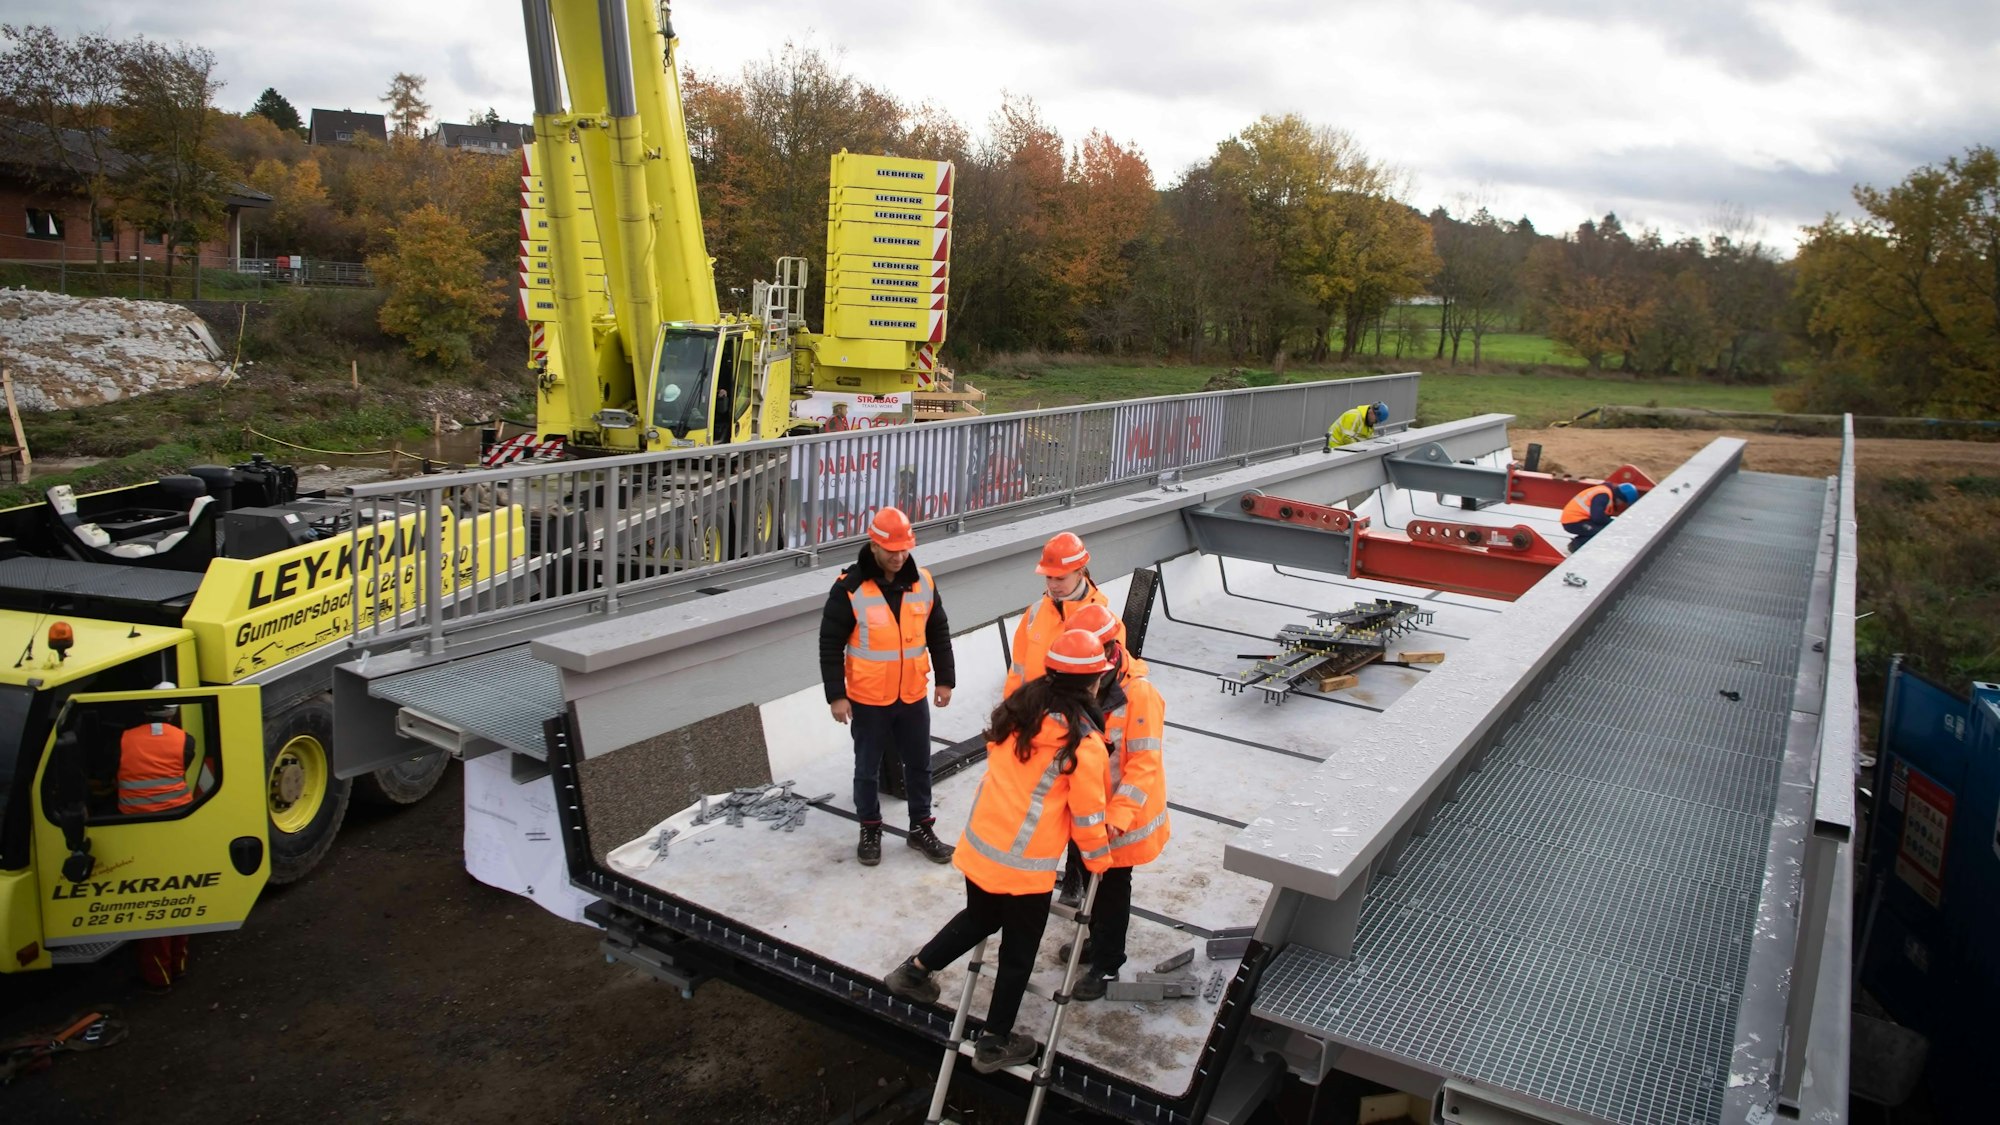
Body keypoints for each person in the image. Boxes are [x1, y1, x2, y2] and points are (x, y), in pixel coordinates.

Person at [883, 629, 1116, 1075]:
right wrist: (1100, 861)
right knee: (1019, 950)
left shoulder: (1020, 712)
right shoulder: (1083, 746)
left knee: (981, 916)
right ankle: (994, 1042)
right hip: (1023, 867)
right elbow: (1088, 817)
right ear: (1092, 684)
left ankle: (913, 972)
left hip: (982, 848)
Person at [820, 506, 957, 866]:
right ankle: (870, 827)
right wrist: (836, 695)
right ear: (874, 545)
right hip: (868, 698)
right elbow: (830, 643)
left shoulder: (923, 582)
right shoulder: (849, 589)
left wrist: (945, 680)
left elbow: (938, 632)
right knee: (866, 768)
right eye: (891, 550)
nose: (898, 557)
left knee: (919, 765)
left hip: (911, 694)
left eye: (904, 550)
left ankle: (921, 827)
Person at [1051, 604, 1169, 1000]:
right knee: (1088, 881)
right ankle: (1096, 942)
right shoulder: (1082, 682)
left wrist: (1116, 816)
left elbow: (1144, 763)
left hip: (1122, 818)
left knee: (1113, 887)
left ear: (1110, 651)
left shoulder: (1140, 695)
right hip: (1085, 811)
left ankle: (1107, 965)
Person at [118, 688, 197, 991]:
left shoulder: (125, 739)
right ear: (174, 712)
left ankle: (157, 977)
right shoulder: (185, 741)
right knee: (179, 896)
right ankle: (177, 965)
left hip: (136, 831)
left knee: (152, 907)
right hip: (177, 826)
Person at [1002, 532, 1125, 697]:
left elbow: (1110, 684)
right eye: (1048, 577)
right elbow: (1018, 668)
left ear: (1080, 573)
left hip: (1071, 717)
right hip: (1031, 711)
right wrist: (1011, 709)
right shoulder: (1035, 612)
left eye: (1060, 579)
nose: (1053, 585)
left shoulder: (1102, 622)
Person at [1560, 481, 1641, 551]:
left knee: (1603, 529)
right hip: (1573, 521)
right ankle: (1576, 546)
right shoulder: (1603, 495)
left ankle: (1582, 543)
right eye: (1623, 503)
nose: (1621, 505)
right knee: (1602, 532)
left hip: (1579, 519)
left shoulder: (1606, 493)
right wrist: (1614, 523)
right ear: (1620, 499)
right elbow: (1598, 518)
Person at [1324, 400, 1390, 450]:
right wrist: (1361, 448)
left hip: (1345, 448)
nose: (1375, 423)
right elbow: (1347, 437)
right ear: (1372, 412)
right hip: (1336, 447)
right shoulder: (1354, 416)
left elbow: (1368, 439)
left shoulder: (1368, 422)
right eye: (1376, 420)